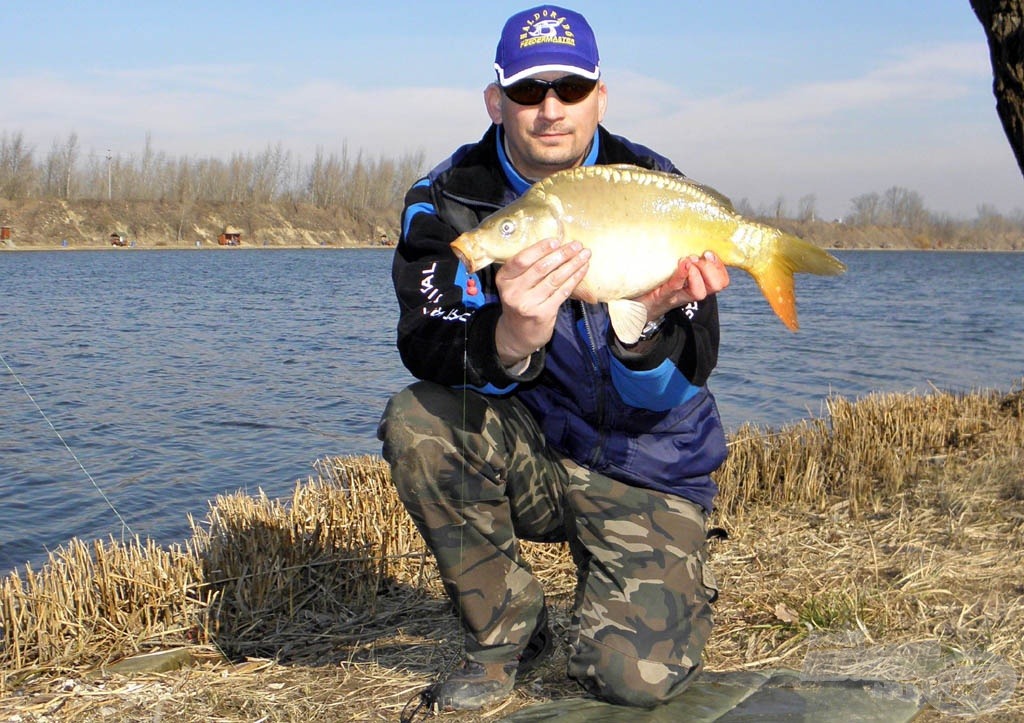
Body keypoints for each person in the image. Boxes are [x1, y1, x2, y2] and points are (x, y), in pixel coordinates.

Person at [378, 5, 731, 712]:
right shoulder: (448, 202)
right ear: (495, 99)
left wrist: (645, 325)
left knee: (631, 681)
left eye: (570, 89)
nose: (549, 109)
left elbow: (693, 369)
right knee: (417, 420)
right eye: (528, 90)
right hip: (531, 452)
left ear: (600, 96)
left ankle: (649, 577)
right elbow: (423, 341)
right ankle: (507, 634)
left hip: (646, 461)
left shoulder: (653, 186)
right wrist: (507, 340)